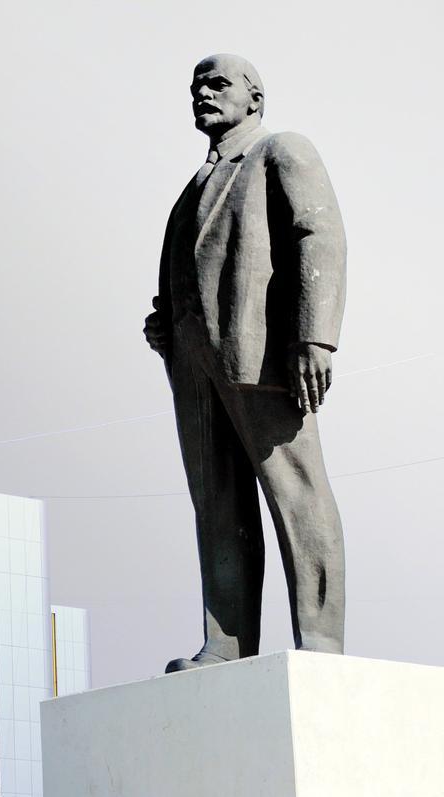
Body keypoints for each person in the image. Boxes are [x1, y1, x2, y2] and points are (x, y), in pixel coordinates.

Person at [143, 54, 347, 673]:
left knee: (297, 491)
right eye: (195, 87)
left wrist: (315, 337)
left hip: (260, 357)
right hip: (194, 365)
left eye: (218, 83)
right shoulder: (193, 187)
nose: (203, 93)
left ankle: (322, 641)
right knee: (217, 503)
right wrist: (166, 322)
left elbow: (320, 234)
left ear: (254, 98)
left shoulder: (280, 151)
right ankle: (227, 642)